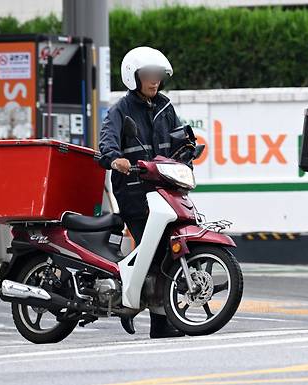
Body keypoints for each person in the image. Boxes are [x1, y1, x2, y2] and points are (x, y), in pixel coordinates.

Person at [98, 46, 191, 338]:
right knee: (153, 255)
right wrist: (116, 158)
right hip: (136, 194)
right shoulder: (120, 110)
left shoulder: (165, 107)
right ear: (133, 77)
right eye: (148, 75)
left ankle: (154, 314)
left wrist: (188, 150)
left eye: (158, 76)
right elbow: (107, 142)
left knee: (170, 254)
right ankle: (154, 319)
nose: (154, 80)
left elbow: (179, 142)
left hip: (166, 191)